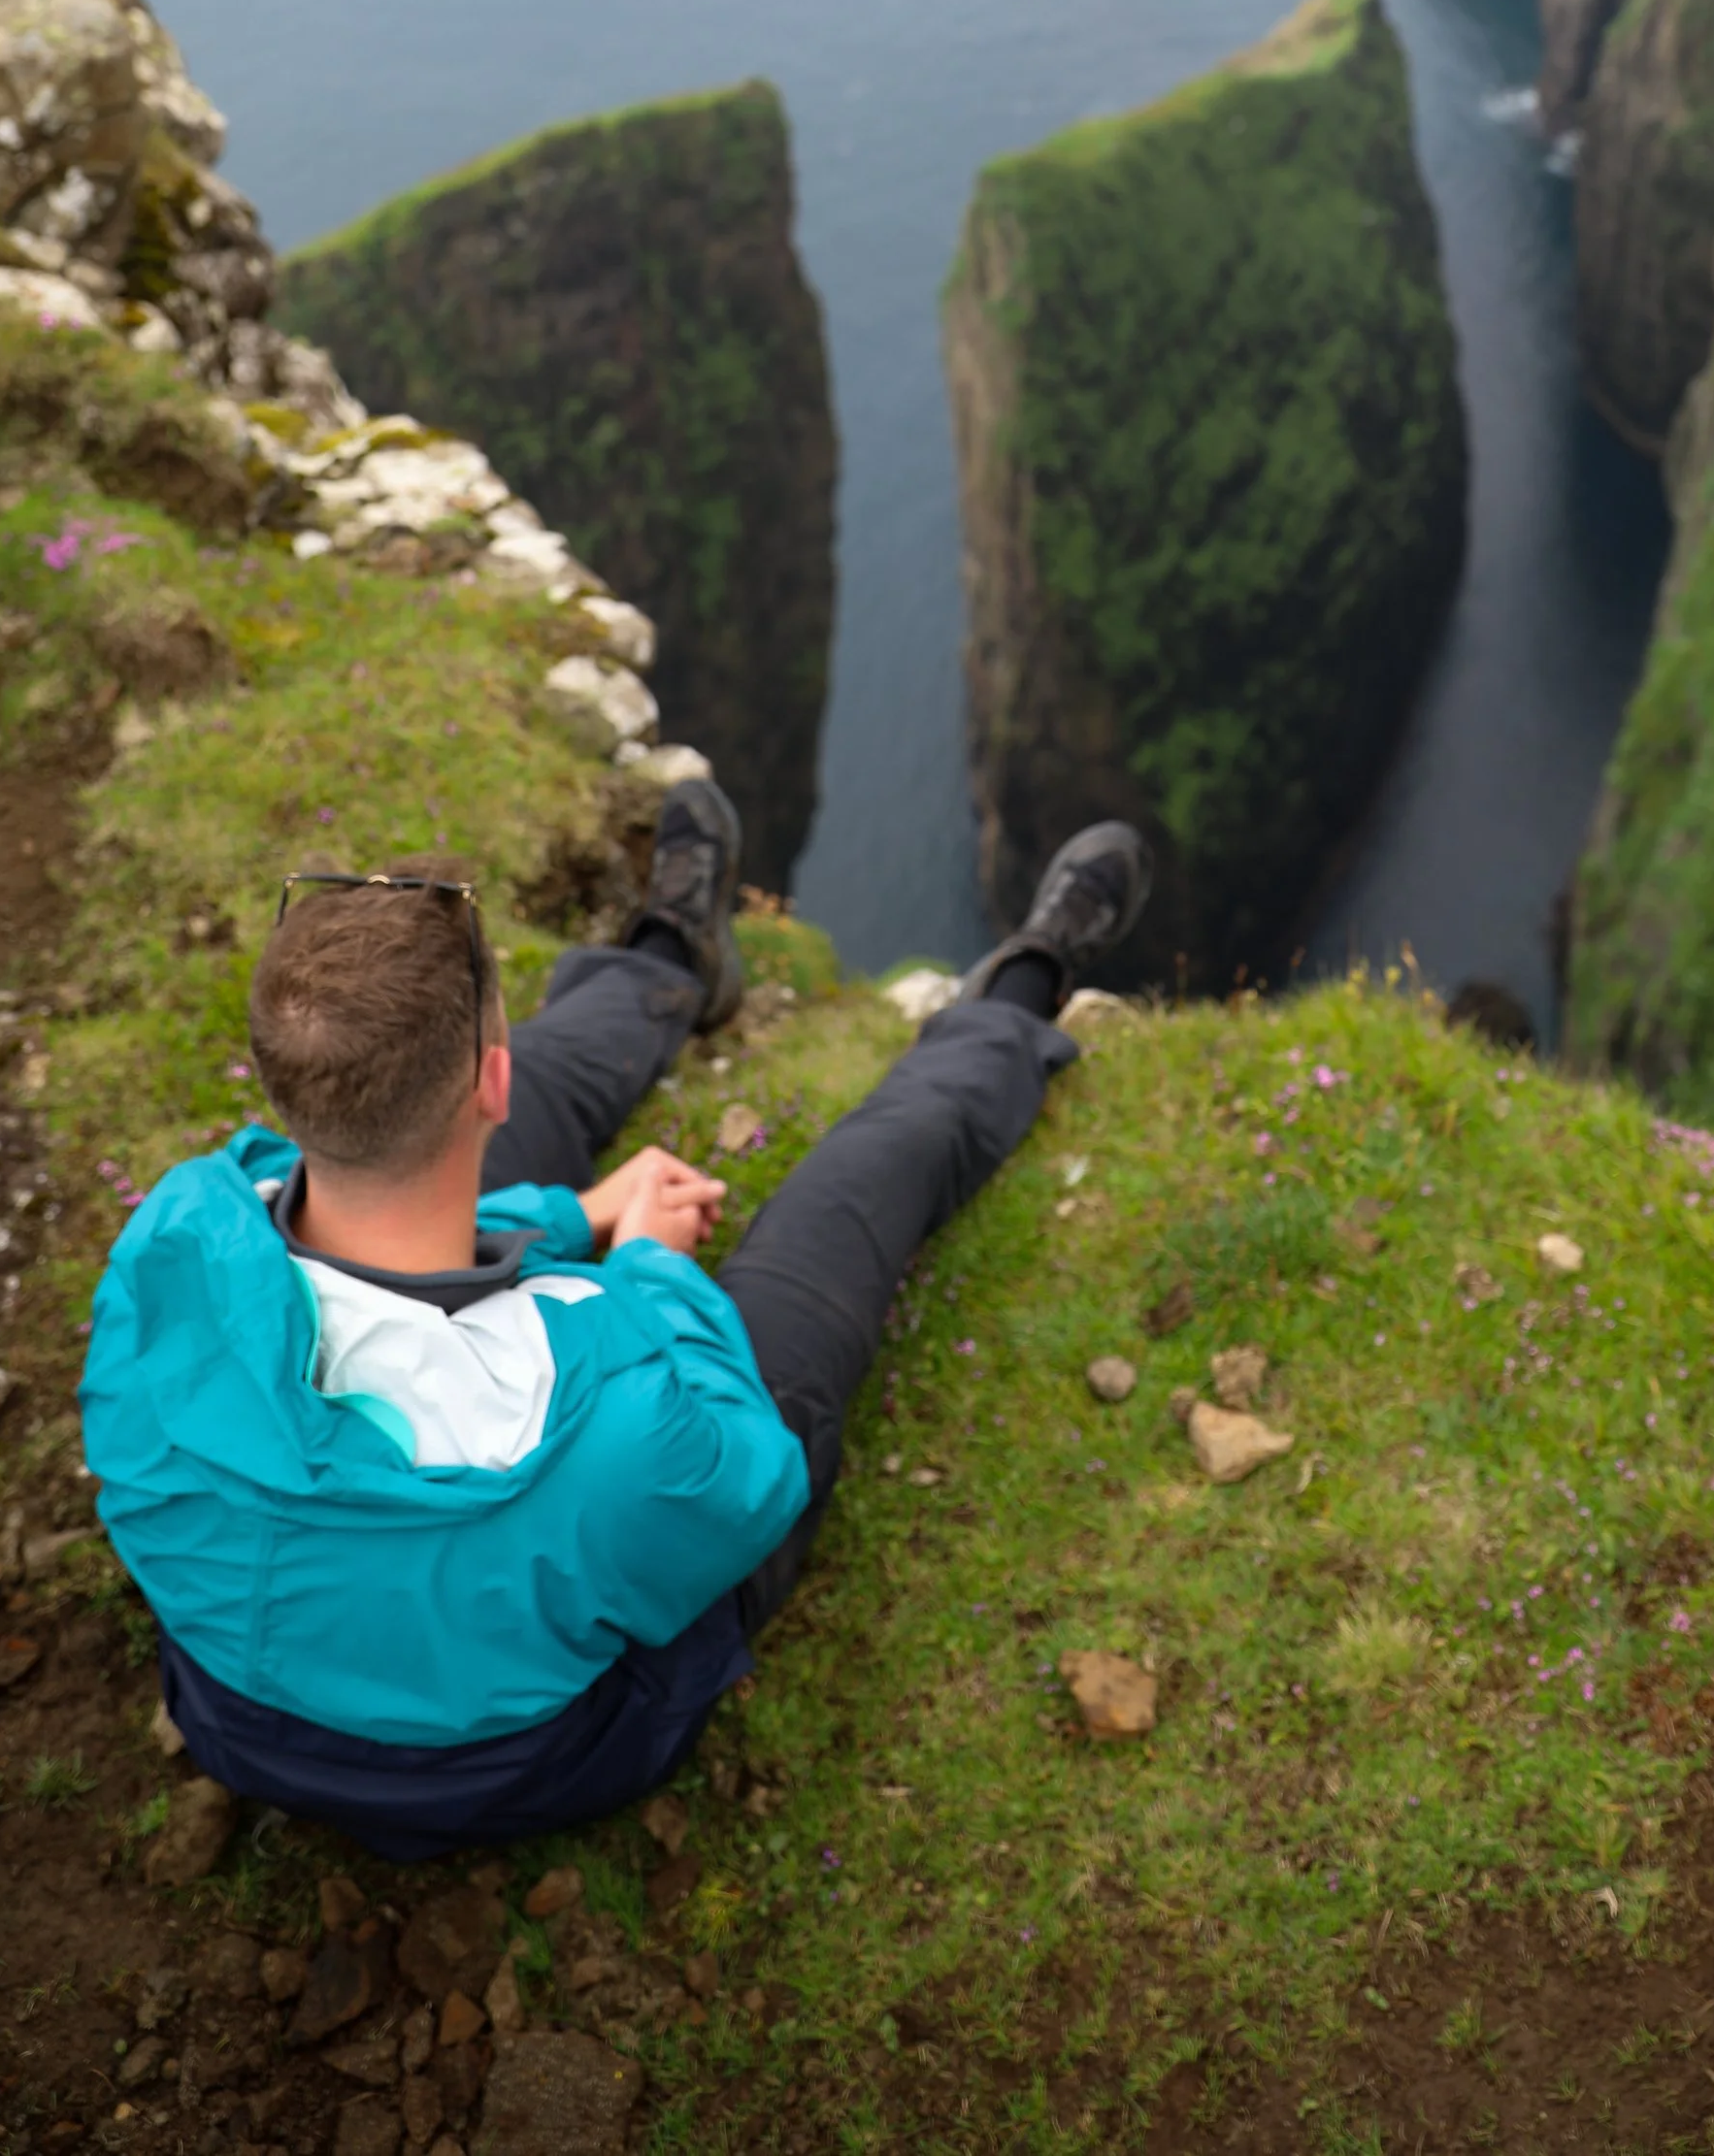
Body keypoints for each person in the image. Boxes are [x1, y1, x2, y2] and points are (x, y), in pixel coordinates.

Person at [81, 776, 1150, 1863]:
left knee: (425, 1116)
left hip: (235, 1716)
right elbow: (749, 1484)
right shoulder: (616, 1408)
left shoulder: (167, 1247)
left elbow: (354, 1238)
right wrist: (651, 1266)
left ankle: (671, 957)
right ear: (489, 1082)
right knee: (849, 1201)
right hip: (524, 1760)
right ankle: (1019, 991)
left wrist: (565, 1216)